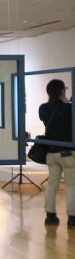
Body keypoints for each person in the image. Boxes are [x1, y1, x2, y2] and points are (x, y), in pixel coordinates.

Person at [40, 79, 74, 228]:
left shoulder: (43, 108)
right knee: (71, 186)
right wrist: (67, 104)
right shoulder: (69, 108)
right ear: (62, 91)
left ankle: (50, 216)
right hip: (67, 153)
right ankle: (72, 219)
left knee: (52, 184)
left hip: (51, 153)